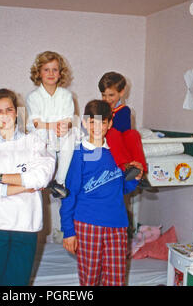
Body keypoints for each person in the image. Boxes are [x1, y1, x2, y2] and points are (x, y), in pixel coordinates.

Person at [0, 88, 55, 286]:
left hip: (25, 226)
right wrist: (23, 186)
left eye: (9, 110)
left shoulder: (34, 142)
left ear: (16, 112)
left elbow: (41, 177)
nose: (5, 115)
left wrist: (0, 177)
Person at [60, 100, 139, 286]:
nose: (97, 127)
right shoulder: (79, 153)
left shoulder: (118, 152)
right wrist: (68, 231)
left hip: (117, 225)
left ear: (109, 124)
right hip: (87, 224)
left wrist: (134, 180)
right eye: (92, 122)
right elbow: (70, 194)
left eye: (102, 122)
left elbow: (122, 189)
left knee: (116, 280)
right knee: (89, 280)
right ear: (85, 123)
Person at [26, 51, 77, 199]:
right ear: (39, 73)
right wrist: (55, 126)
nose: (51, 73)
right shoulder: (33, 97)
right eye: (46, 69)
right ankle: (45, 176)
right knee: (44, 134)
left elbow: (68, 119)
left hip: (59, 135)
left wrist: (64, 127)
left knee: (71, 134)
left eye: (55, 69)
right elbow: (36, 123)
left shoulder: (66, 95)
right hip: (42, 135)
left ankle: (59, 182)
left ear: (60, 73)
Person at [99, 71, 155, 191]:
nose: (107, 99)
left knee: (134, 134)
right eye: (104, 95)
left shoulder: (124, 110)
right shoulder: (98, 108)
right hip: (107, 136)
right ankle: (126, 167)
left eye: (111, 95)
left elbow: (124, 130)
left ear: (122, 92)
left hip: (120, 137)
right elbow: (88, 124)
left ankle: (141, 173)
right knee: (112, 132)